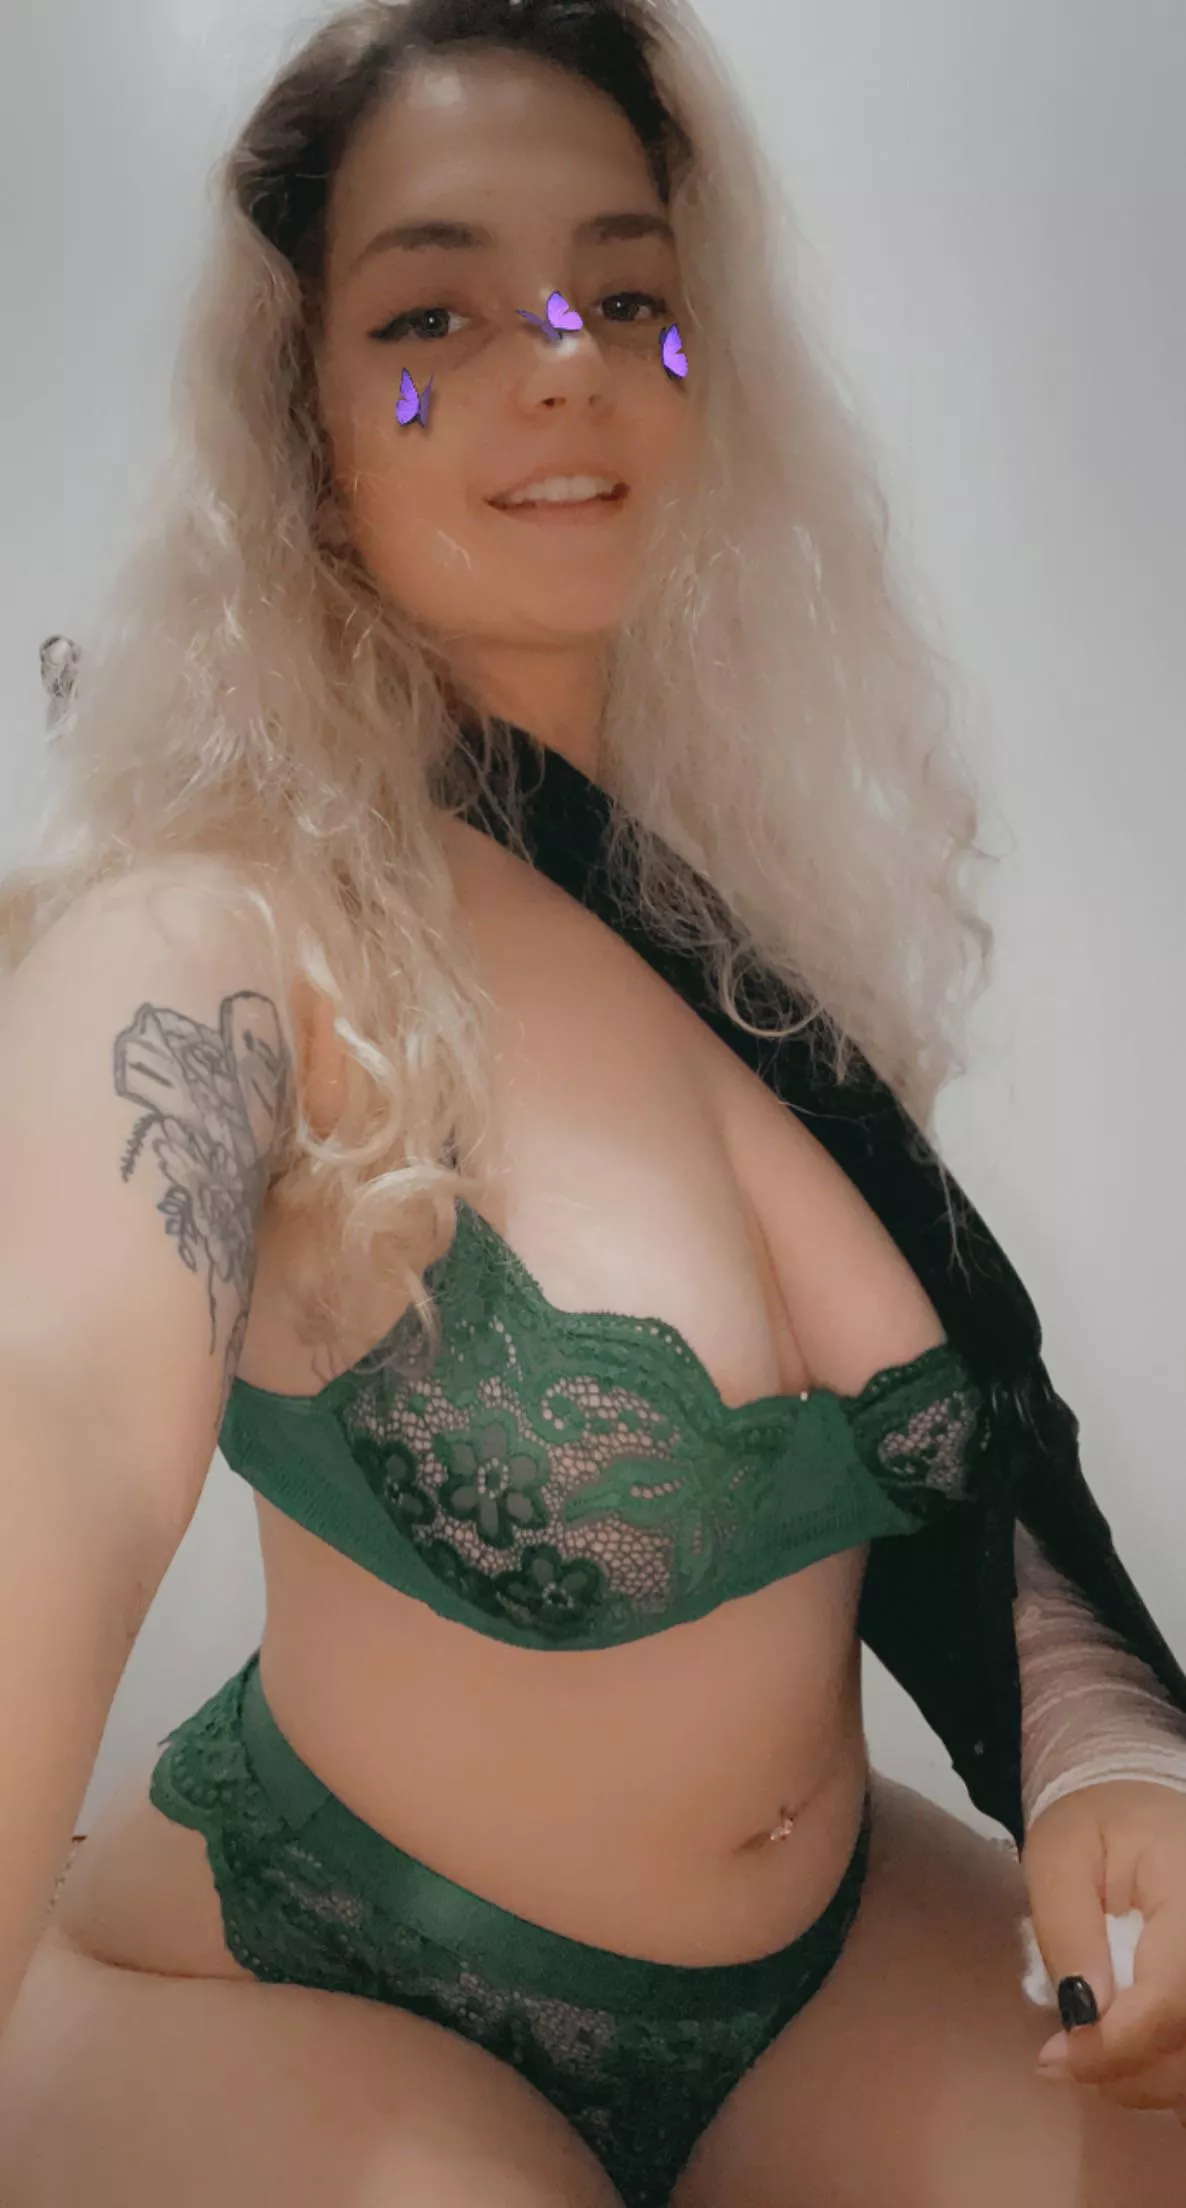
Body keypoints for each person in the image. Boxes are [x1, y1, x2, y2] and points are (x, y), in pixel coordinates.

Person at [0, 2, 1184, 2202]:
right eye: (432, 314)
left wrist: (1109, 1743)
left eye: (622, 296)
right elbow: (47, 1416)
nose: (558, 361)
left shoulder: (735, 924)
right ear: (301, 409)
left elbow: (972, 1448)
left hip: (812, 1968)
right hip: (296, 1975)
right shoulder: (217, 926)